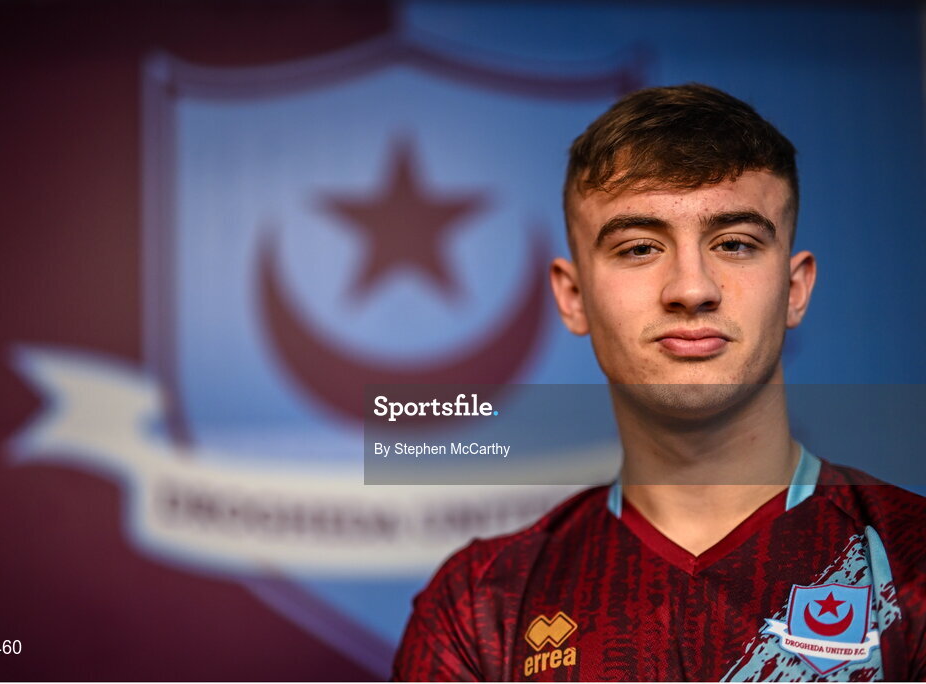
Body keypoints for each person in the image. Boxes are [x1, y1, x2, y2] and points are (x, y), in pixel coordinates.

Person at [391, 83, 925, 681]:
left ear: (794, 289)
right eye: (641, 247)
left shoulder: (913, 563)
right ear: (573, 298)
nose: (692, 288)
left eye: (735, 244)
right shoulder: (482, 605)